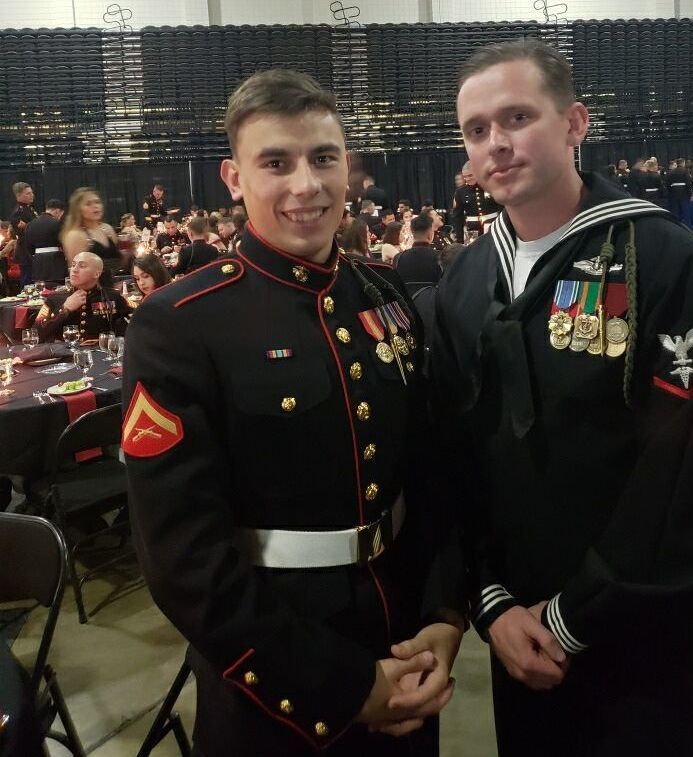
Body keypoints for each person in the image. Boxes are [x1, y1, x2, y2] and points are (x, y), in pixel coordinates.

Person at [123, 68, 464, 757]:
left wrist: (444, 612)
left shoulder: (384, 292)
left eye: (323, 158)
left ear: (348, 169)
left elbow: (432, 473)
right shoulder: (180, 324)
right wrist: (336, 686)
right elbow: (184, 561)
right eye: (275, 162)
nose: (305, 184)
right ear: (233, 177)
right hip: (276, 670)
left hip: (406, 642)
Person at [434, 38, 693, 757]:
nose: (496, 144)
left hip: (643, 645)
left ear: (575, 122)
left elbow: (684, 472)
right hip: (518, 642)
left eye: (516, 117)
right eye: (477, 131)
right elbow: (451, 457)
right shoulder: (462, 285)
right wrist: (493, 602)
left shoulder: (668, 262)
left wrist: (575, 615)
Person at [35, 251, 129, 341]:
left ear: (97, 274)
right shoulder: (55, 298)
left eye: (82, 266)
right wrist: (64, 309)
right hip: (65, 354)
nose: (74, 270)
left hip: (100, 354)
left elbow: (133, 325)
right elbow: (36, 334)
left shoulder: (113, 297)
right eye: (73, 265)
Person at [60, 188, 121, 274]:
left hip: (118, 281)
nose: (95, 206)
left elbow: (118, 262)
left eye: (97, 202)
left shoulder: (108, 229)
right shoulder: (75, 235)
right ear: (78, 210)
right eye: (88, 204)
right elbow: (76, 272)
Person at [449, 161, 501, 242]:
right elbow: (457, 217)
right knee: (474, 252)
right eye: (465, 177)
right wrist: (460, 240)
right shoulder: (460, 192)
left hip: (493, 226)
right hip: (472, 230)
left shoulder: (491, 186)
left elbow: (502, 207)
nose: (467, 179)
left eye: (470, 175)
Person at [394, 213, 442, 297]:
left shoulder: (398, 258)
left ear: (412, 232)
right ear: (430, 233)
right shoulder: (440, 257)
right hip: (433, 306)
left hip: (407, 306)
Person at [24, 199, 67, 282]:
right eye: (61, 214)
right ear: (57, 211)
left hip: (38, 262)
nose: (60, 217)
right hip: (56, 261)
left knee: (40, 289)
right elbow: (64, 243)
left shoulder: (30, 225)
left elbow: (28, 247)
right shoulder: (58, 224)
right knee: (57, 288)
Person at [9, 182, 38, 287]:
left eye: (31, 193)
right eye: (27, 193)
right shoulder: (18, 212)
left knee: (35, 280)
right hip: (26, 251)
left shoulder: (29, 209)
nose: (31, 195)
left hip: (32, 249)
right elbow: (27, 230)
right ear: (18, 196)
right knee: (28, 282)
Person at [665, 158, 692, 227]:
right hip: (684, 193)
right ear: (683, 163)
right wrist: (690, 194)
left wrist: (671, 192)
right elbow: (688, 184)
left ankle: (676, 227)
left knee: (676, 212)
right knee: (686, 211)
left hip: (674, 194)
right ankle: (687, 227)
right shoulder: (685, 171)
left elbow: (667, 184)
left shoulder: (671, 172)